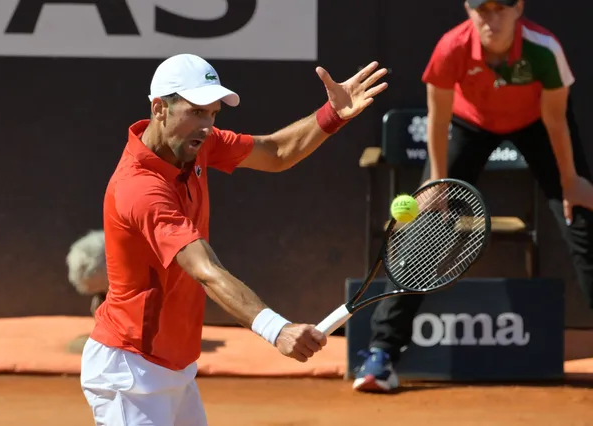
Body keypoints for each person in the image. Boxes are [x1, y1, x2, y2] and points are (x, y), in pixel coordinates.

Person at [79, 53, 388, 425]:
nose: (207, 125)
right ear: (159, 108)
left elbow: (275, 152)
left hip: (174, 365)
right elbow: (205, 269)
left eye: (213, 114)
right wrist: (277, 329)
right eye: (195, 111)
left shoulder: (196, 143)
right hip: (131, 373)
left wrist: (332, 114)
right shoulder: (140, 188)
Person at [353, 0, 593, 393]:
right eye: (483, 9)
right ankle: (382, 354)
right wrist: (438, 185)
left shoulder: (543, 48)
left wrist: (570, 182)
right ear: (469, 9)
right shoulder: (451, 48)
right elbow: (440, 118)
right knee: (425, 227)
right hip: (470, 125)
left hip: (538, 124)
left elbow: (555, 120)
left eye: (501, 8)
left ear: (519, 9)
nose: (491, 19)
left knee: (581, 219)